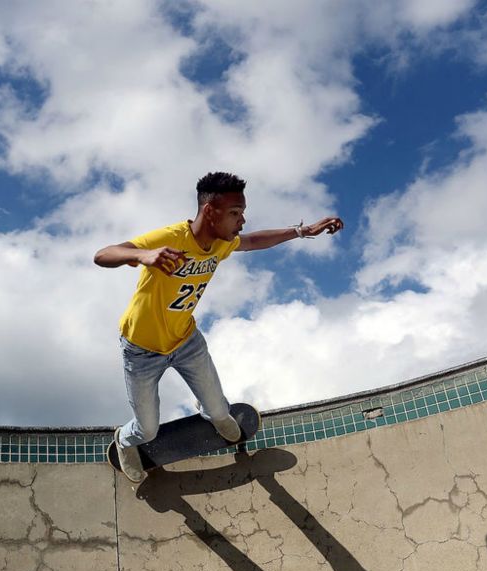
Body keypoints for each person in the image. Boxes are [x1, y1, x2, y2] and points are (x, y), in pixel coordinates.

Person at [94, 172, 343, 482]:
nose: (241, 221)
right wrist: (143, 255)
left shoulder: (220, 244)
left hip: (187, 343)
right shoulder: (171, 238)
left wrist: (301, 231)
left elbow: (252, 241)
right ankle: (124, 440)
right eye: (235, 213)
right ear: (210, 212)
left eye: (242, 213)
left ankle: (212, 411)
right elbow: (103, 254)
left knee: (220, 412)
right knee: (147, 429)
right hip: (141, 352)